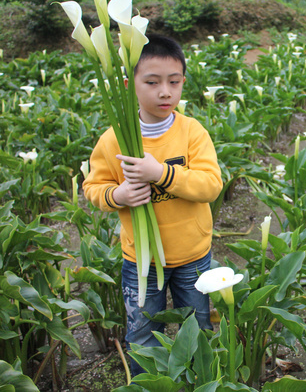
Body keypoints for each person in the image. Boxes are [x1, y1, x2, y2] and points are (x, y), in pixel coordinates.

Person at [83, 34, 223, 376]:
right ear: (130, 85)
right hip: (141, 261)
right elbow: (93, 187)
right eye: (153, 82)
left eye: (174, 82)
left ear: (183, 83)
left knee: (199, 330)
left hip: (193, 256)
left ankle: (199, 381)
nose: (165, 92)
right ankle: (148, 382)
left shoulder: (192, 132)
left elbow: (211, 185)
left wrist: (161, 172)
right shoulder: (115, 139)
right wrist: (119, 197)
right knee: (143, 336)